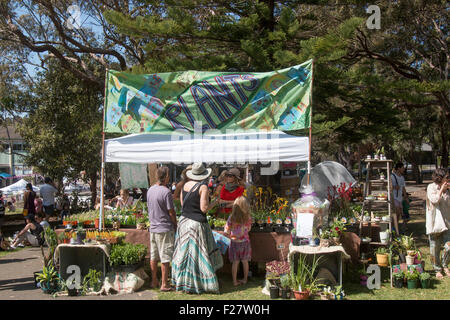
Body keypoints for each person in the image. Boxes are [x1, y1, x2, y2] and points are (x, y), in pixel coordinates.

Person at [171, 162, 222, 294]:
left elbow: (183, 205)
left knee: (183, 254)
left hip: (184, 222)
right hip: (196, 225)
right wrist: (215, 202)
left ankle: (182, 281)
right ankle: (198, 282)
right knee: (198, 256)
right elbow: (204, 209)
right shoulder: (202, 187)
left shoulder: (184, 185)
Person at [147, 166, 177, 292]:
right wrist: (175, 224)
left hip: (153, 227)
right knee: (165, 257)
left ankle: (154, 281)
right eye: (168, 175)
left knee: (154, 256)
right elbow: (171, 212)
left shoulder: (150, 190)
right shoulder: (166, 192)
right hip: (164, 227)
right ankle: (164, 284)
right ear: (166, 177)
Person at [426, 168, 449, 279]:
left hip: (447, 222)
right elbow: (434, 200)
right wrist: (441, 191)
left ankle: (445, 266)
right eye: (447, 177)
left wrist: (446, 191)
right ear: (440, 178)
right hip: (435, 223)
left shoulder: (447, 189)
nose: (448, 179)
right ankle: (437, 269)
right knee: (434, 248)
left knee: (448, 247)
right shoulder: (431, 187)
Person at [224, 196, 252, 286]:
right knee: (245, 261)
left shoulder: (231, 217)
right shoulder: (247, 218)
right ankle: (245, 279)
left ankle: (234, 281)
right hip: (245, 242)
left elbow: (226, 230)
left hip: (234, 242)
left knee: (235, 262)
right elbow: (249, 229)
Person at [391, 162, 408, 234]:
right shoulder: (392, 176)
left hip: (400, 198)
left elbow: (403, 188)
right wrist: (394, 187)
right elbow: (388, 187)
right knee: (396, 212)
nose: (403, 169)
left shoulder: (402, 177)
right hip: (394, 197)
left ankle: (395, 227)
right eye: (402, 168)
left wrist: (405, 197)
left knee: (398, 214)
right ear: (398, 168)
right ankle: (392, 227)